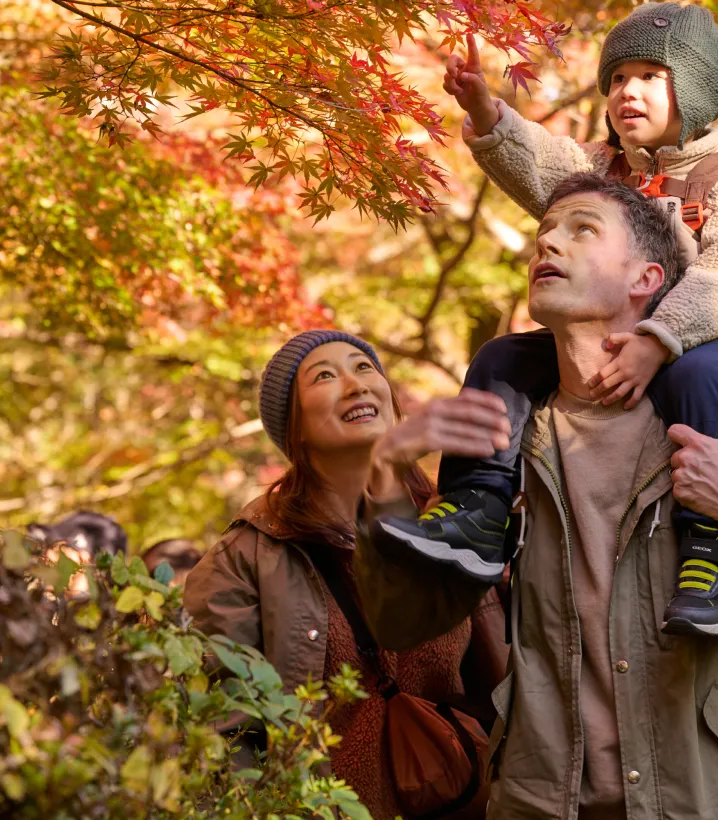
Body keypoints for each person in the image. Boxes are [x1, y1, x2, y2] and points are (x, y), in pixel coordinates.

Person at [356, 176, 718, 819]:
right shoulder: (502, 437)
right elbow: (404, 624)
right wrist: (385, 474)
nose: (548, 242)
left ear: (646, 278)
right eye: (545, 231)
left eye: (582, 229)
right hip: (547, 804)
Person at [379, 2, 718, 639]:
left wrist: (659, 339)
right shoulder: (600, 171)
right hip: (606, 338)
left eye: (651, 75)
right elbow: (539, 161)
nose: (628, 92)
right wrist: (488, 113)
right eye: (617, 79)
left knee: (696, 381)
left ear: (696, 89)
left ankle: (710, 550)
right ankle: (480, 505)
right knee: (501, 359)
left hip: (709, 341)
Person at [184, 330, 508, 820]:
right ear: (293, 429)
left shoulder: (455, 519)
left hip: (463, 803)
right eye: (325, 376)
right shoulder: (246, 556)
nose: (355, 386)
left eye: (363, 368)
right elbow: (223, 733)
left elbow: (507, 679)